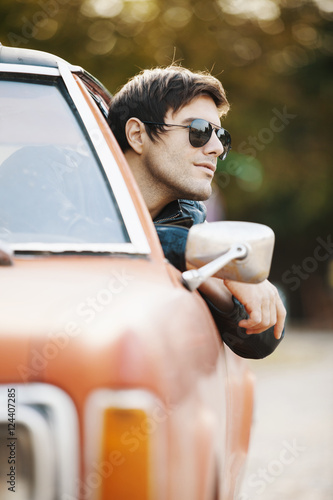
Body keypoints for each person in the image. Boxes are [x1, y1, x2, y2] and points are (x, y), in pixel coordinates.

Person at [107, 65, 286, 359]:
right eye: (199, 131)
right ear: (138, 135)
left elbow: (262, 341)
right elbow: (87, 234)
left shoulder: (190, 220)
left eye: (221, 136)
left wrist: (221, 278)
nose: (216, 148)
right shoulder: (57, 181)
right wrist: (201, 254)